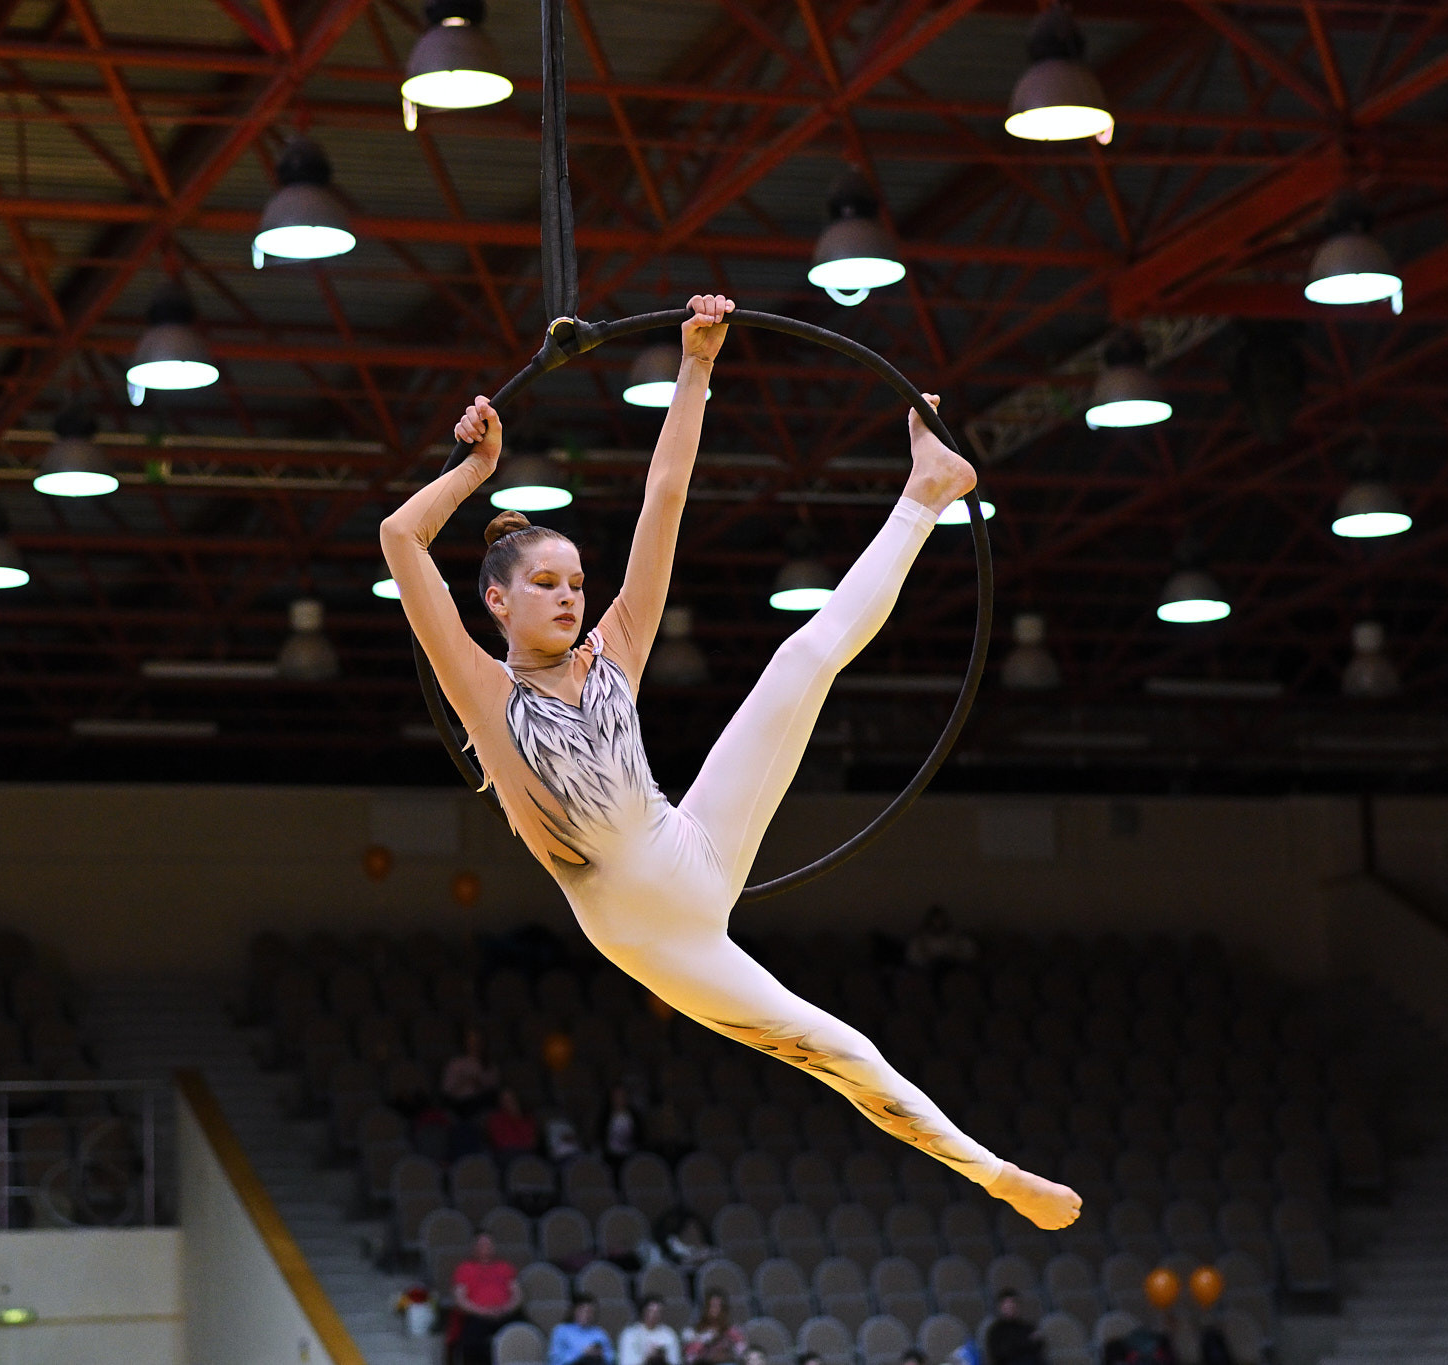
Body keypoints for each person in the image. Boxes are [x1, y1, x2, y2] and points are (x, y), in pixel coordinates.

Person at [381, 294, 1077, 1232]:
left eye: (577, 582)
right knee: (828, 1044)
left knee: (801, 659)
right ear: (496, 603)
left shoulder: (614, 649)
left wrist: (697, 365)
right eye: (544, 584)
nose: (569, 598)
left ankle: (926, 493)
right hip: (659, 937)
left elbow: (664, 497)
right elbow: (398, 538)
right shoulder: (482, 692)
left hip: (692, 844)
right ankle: (991, 1171)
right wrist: (476, 467)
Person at [452, 1232, 521, 1365]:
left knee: (524, 1332)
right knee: (472, 1343)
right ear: (474, 1247)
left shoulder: (505, 1267)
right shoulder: (465, 1269)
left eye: (488, 1244)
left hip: (505, 1314)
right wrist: (483, 1312)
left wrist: (506, 1309)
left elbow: (517, 1294)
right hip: (477, 1316)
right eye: (482, 1244)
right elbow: (460, 1299)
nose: (486, 1247)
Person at [442, 1027, 501, 1119]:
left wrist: (479, 1084)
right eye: (471, 1041)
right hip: (459, 1103)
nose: (474, 1045)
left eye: (477, 1041)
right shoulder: (456, 1063)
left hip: (481, 1102)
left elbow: (494, 1088)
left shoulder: (490, 1066)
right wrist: (463, 1082)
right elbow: (446, 1090)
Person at [682, 1290, 746, 1365]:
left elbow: (743, 1355)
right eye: (712, 1306)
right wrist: (703, 1342)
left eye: (719, 1306)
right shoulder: (691, 1332)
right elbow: (689, 1359)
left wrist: (731, 1350)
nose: (715, 1310)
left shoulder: (733, 1331)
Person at [905, 906, 977, 971]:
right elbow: (912, 958)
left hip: (954, 972)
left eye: (940, 920)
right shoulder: (919, 940)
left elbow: (970, 954)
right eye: (935, 921)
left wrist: (954, 955)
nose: (938, 924)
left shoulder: (957, 938)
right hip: (927, 973)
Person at [550, 1296, 615, 1365]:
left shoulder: (599, 1333)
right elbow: (555, 1360)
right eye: (582, 1311)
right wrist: (583, 1353)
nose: (586, 1315)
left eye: (589, 1312)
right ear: (574, 1311)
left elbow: (611, 1357)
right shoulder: (561, 1331)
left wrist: (601, 1354)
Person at [619, 1296, 683, 1365]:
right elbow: (625, 1362)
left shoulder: (669, 1334)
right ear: (643, 1311)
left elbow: (675, 1361)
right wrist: (647, 1358)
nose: (655, 1315)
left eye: (658, 1312)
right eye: (651, 1311)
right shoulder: (630, 1334)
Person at [984, 1291, 1041, 1365]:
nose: (1010, 1307)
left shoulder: (1027, 1327)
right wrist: (1026, 1342)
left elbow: (1038, 1346)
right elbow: (1000, 1353)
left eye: (1013, 1303)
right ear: (1001, 1307)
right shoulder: (995, 1331)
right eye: (1007, 1305)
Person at [486, 1088, 539, 1158]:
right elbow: (502, 1143)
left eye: (511, 1098)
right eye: (504, 1099)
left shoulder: (527, 1117)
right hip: (509, 1155)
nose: (508, 1102)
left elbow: (532, 1140)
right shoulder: (496, 1119)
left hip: (529, 1153)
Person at [605, 1084, 641, 1160]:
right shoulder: (605, 1117)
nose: (619, 1099)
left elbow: (640, 1137)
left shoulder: (635, 1116)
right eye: (616, 1096)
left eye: (622, 1096)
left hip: (631, 1156)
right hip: (611, 1157)